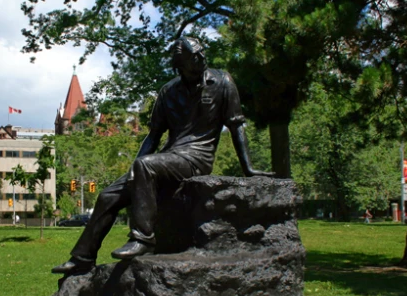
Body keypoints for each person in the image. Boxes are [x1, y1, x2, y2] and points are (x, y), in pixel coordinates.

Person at [52, 36, 274, 275]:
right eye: (195, 57)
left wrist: (248, 169)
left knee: (145, 167)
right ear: (181, 64)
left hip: (197, 158)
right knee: (107, 196)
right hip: (168, 157)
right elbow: (153, 136)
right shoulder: (168, 91)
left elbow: (236, 125)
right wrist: (132, 172)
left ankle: (144, 239)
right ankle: (83, 257)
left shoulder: (222, 82)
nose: (202, 59)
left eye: (201, 53)